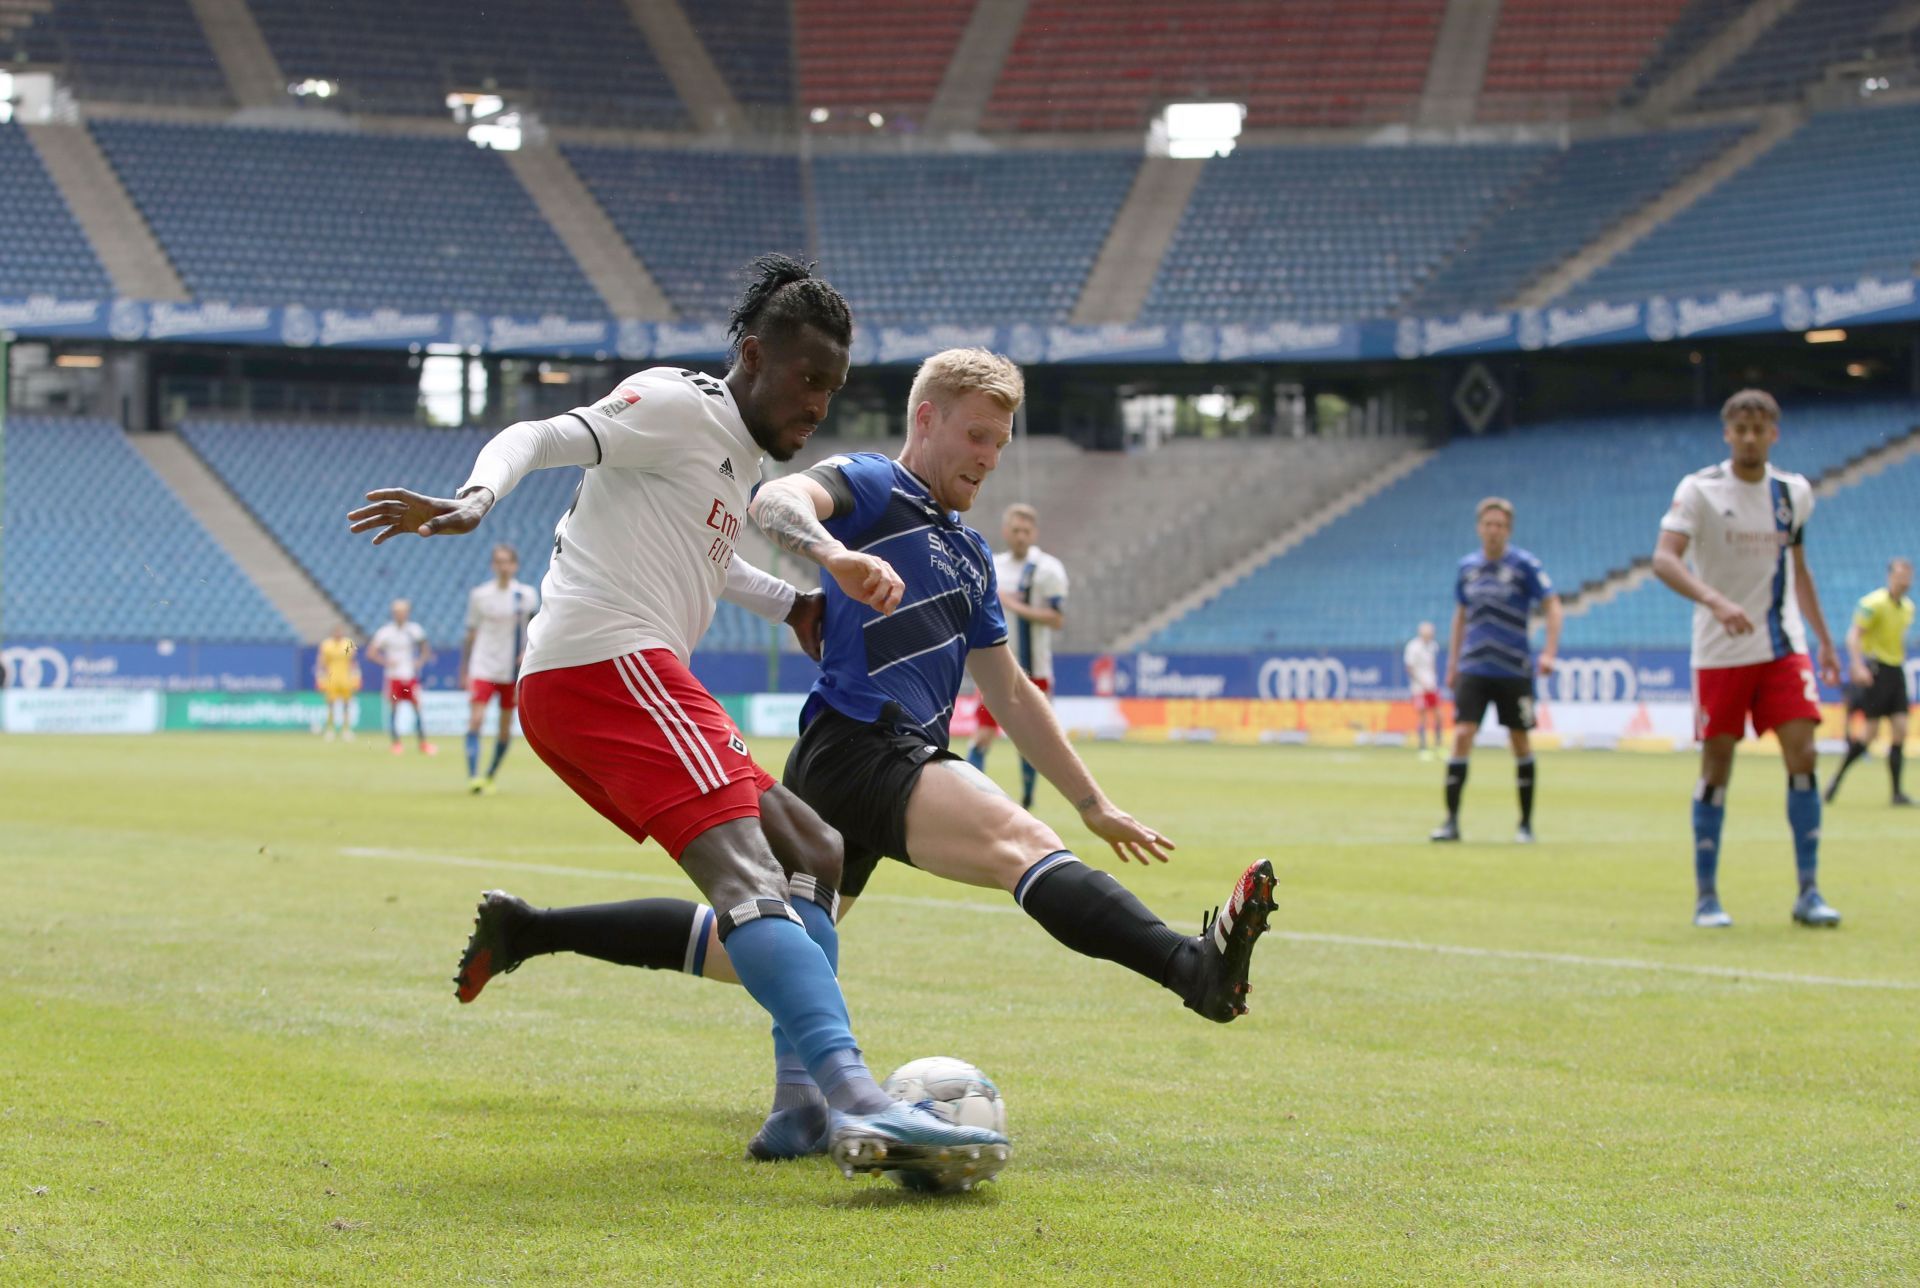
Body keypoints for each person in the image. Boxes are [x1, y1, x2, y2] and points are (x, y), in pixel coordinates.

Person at [451, 347, 1277, 1166]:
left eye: (1002, 442)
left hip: (878, 759)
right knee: (1016, 843)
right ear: (927, 419)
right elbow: (778, 500)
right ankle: (1189, 967)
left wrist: (1094, 803)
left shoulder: (973, 558)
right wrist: (830, 554)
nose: (991, 458)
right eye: (978, 436)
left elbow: (1014, 692)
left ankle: (534, 930)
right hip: (861, 744)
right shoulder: (877, 485)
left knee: (746, 945)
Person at [348, 255, 1007, 1186]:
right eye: (805, 378)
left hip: (620, 672)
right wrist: (476, 498)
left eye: (833, 387)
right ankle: (858, 1096)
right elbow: (538, 433)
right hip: (603, 663)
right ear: (752, 355)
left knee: (813, 846)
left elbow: (711, 550)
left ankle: (799, 1109)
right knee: (747, 873)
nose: (817, 403)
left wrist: (793, 605)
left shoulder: (733, 457)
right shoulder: (674, 404)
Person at [1650, 388, 1843, 929]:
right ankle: (1706, 896)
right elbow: (1664, 560)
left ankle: (1809, 890)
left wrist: (1823, 639)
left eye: (1761, 428)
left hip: (1781, 644)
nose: (1751, 437)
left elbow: (1799, 569)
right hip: (1718, 651)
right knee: (1717, 768)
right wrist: (1713, 599)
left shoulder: (1793, 493)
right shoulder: (1700, 490)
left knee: (1803, 753)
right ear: (1727, 433)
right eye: (1741, 428)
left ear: (1774, 433)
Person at [1431, 499, 1561, 844]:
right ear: (1479, 527)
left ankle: (1525, 825)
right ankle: (1451, 822)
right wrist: (1452, 662)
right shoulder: (1467, 568)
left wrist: (1549, 652)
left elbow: (1552, 604)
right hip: (1474, 666)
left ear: (1508, 529)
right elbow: (1460, 615)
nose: (1493, 530)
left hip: (1513, 668)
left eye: (1500, 525)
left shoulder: (1525, 565)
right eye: (1488, 524)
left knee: (1519, 740)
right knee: (1461, 735)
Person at [967, 502, 1068, 807]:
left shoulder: (1048, 569)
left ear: (1034, 533)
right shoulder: (992, 565)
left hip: (1035, 669)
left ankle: (1027, 799)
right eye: (1016, 530)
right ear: (1005, 532)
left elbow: (1057, 618)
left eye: (1026, 531)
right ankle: (973, 799)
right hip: (996, 669)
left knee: (1030, 743)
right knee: (983, 735)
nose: (1021, 536)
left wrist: (1015, 606)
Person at [1824, 556, 1913, 806]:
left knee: (1900, 731)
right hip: (1876, 671)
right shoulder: (1872, 604)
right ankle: (1836, 779)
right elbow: (1853, 636)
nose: (1904, 580)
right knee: (1869, 735)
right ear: (1890, 576)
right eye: (1899, 575)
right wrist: (1857, 664)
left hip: (1896, 671)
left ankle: (1896, 793)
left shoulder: (1907, 608)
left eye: (1907, 576)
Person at [460, 543, 539, 795]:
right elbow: (471, 633)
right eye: (498, 561)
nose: (503, 566)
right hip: (483, 666)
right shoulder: (480, 595)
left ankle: (490, 774)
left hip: (511, 671)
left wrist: (528, 653)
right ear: (493, 565)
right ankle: (473, 776)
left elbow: (535, 629)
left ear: (514, 565)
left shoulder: (526, 595)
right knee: (476, 720)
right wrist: (465, 668)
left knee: (505, 727)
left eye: (507, 561)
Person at [366, 599, 436, 756]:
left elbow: (426, 649)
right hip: (393, 677)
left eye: (403, 611)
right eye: (397, 611)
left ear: (408, 612)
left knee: (417, 709)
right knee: (394, 710)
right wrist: (385, 661)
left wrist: (419, 662)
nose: (400, 614)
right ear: (393, 613)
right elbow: (371, 653)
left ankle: (423, 743)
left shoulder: (415, 630)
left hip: (410, 676)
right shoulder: (385, 632)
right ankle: (396, 743)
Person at [314, 623, 362, 741]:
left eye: (340, 631)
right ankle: (330, 729)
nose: (338, 634)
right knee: (331, 704)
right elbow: (321, 662)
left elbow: (353, 662)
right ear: (332, 633)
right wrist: (319, 677)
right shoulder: (326, 645)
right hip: (331, 678)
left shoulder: (348, 643)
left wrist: (357, 676)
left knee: (346, 704)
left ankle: (346, 729)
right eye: (336, 632)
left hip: (345, 677)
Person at [1404, 621, 1442, 758]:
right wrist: (1421, 682)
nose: (1429, 635)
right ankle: (1423, 748)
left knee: (1438, 715)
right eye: (1427, 633)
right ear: (1421, 633)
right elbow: (1409, 668)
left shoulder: (1433, 646)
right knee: (1423, 717)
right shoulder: (1413, 647)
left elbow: (1432, 664)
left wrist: (1433, 679)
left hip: (1432, 685)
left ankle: (1438, 746)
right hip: (1419, 688)